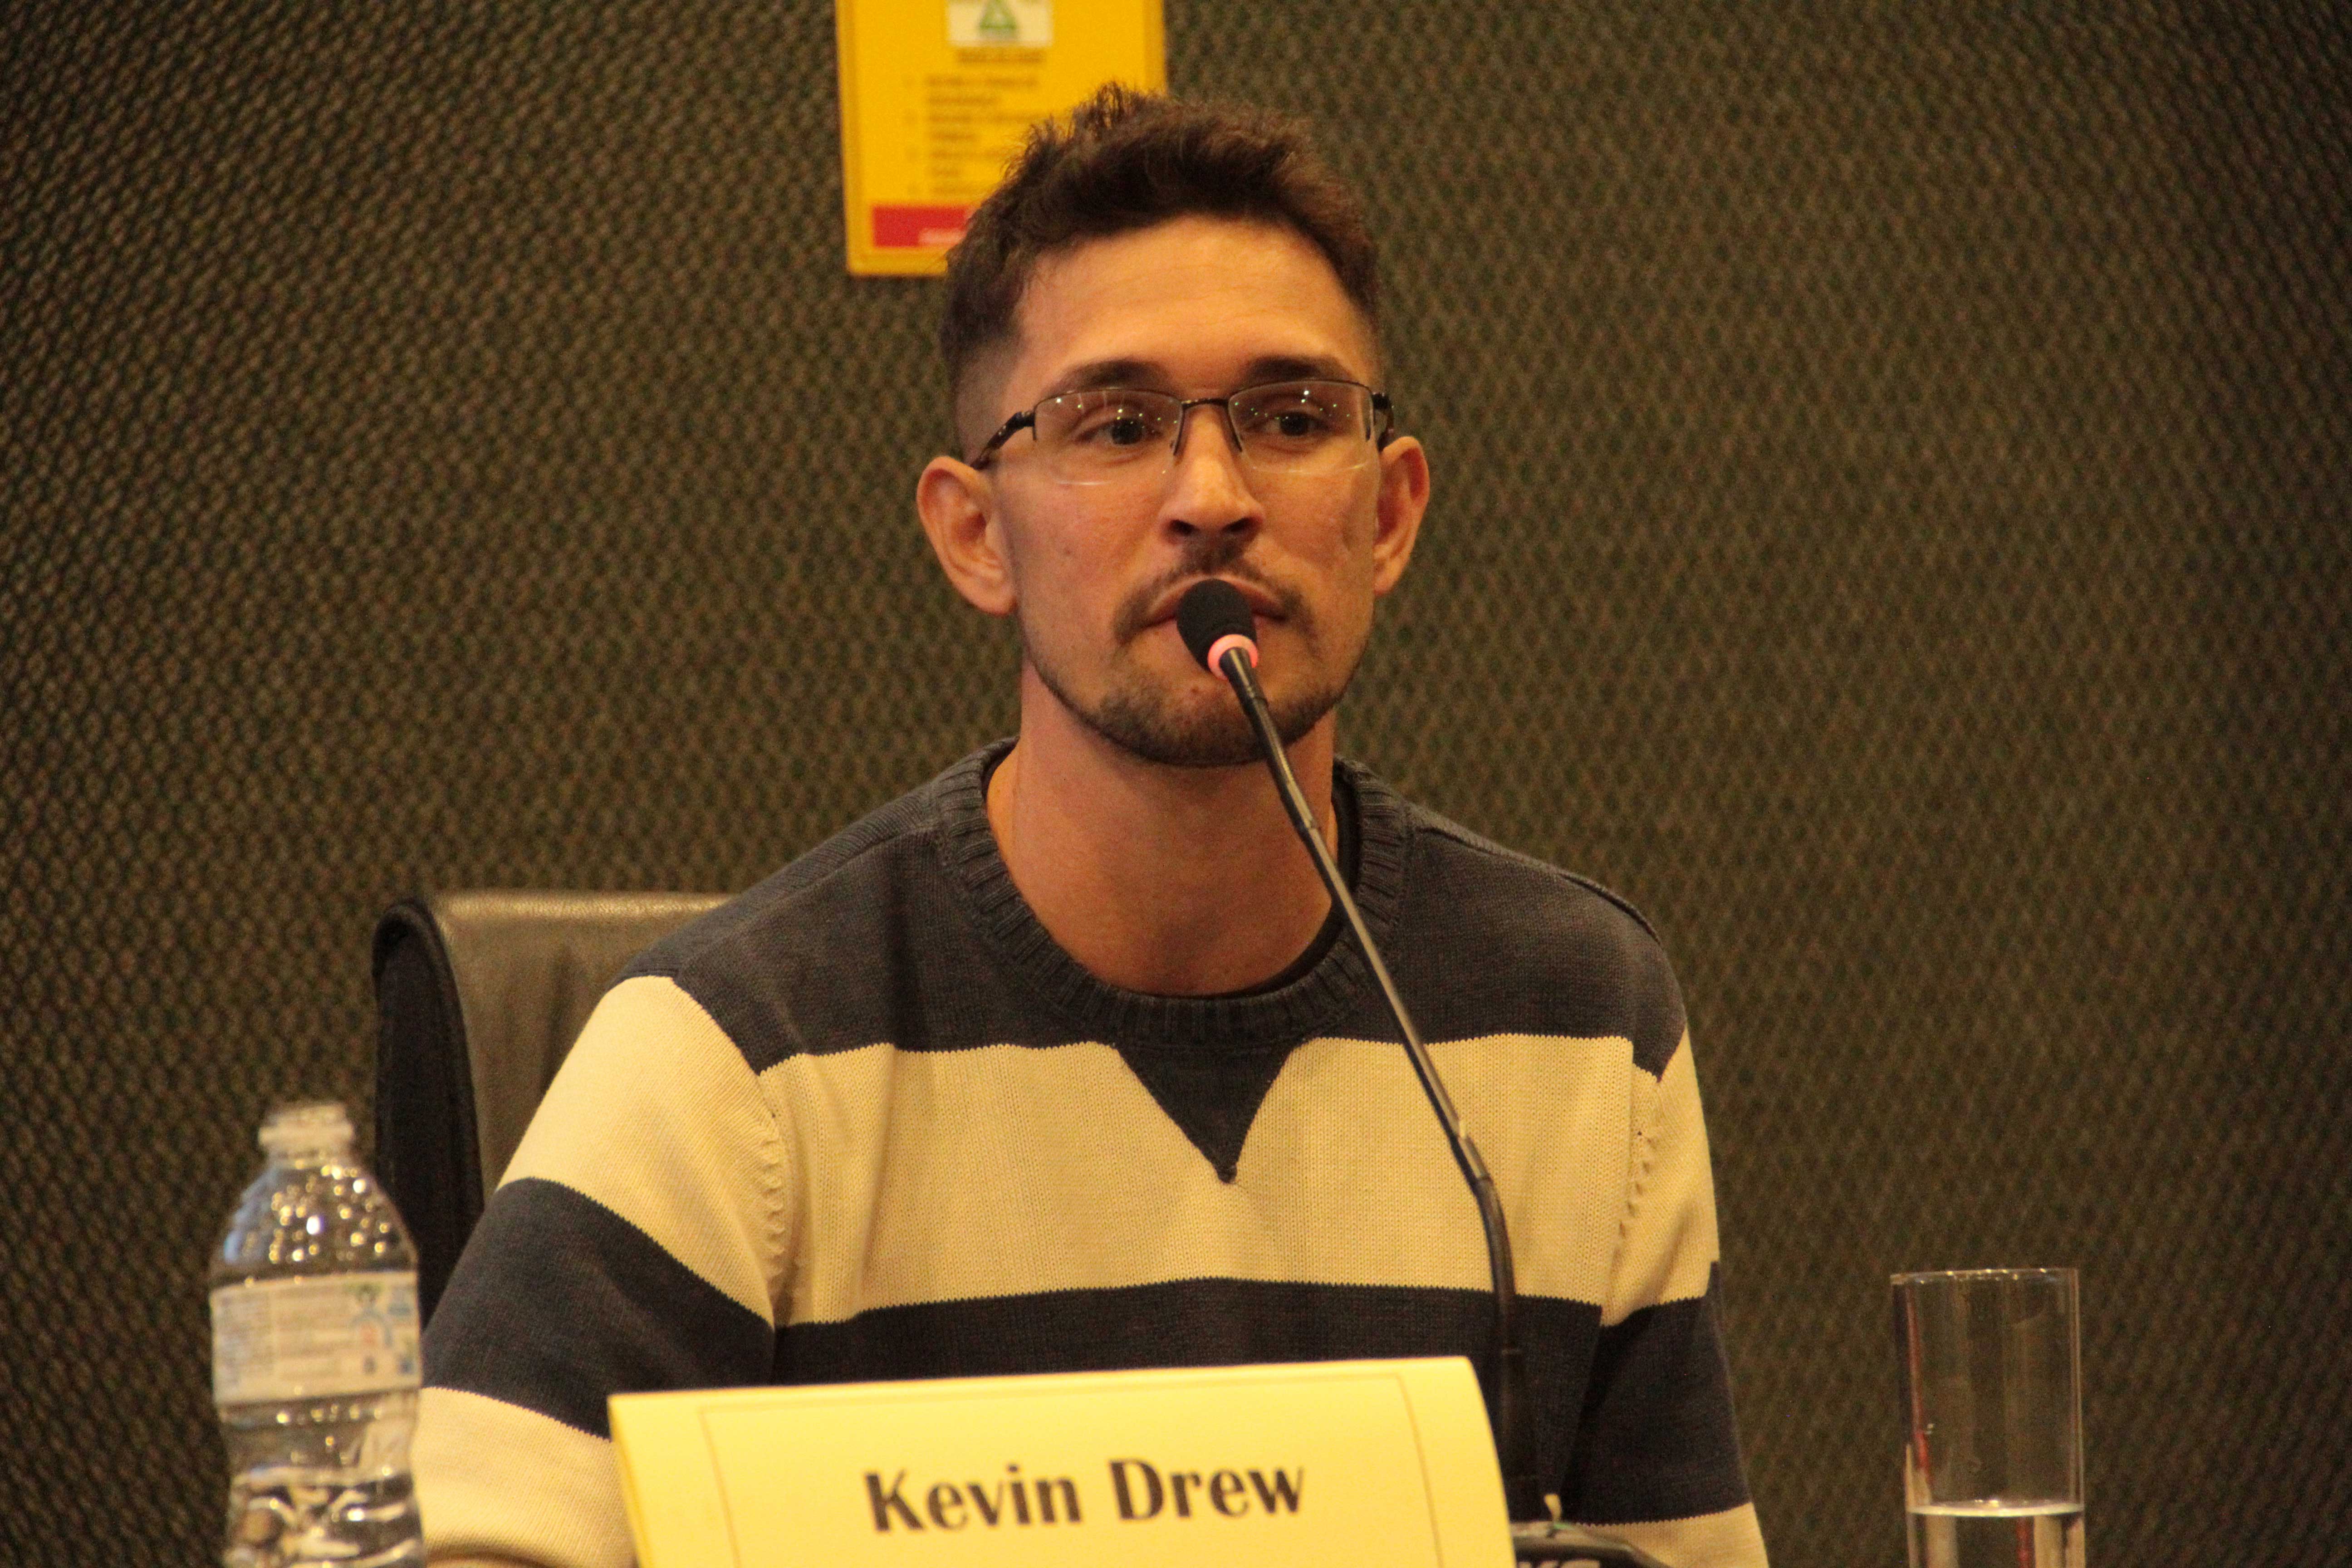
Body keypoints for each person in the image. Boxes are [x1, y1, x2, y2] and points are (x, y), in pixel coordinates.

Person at [414, 86, 1767, 1568]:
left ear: (1387, 517)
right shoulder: (736, 1059)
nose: (1213, 498)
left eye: (1292, 419)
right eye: (1117, 426)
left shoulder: (1576, 1025)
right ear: (975, 535)